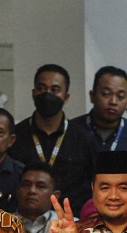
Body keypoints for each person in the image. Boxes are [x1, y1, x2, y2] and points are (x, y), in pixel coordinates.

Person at [8, 64, 100, 210]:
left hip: (72, 221)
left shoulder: (83, 140)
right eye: (41, 88)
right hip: (23, 221)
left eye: (55, 90)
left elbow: (95, 184)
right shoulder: (15, 137)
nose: (47, 94)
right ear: (33, 93)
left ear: (66, 97)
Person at [77, 66, 127, 165]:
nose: (113, 102)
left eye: (120, 96)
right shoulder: (70, 131)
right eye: (106, 94)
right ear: (92, 96)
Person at [16, 163, 58, 233]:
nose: (32, 191)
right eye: (26, 185)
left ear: (55, 196)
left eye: (41, 186)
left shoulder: (70, 226)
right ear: (17, 190)